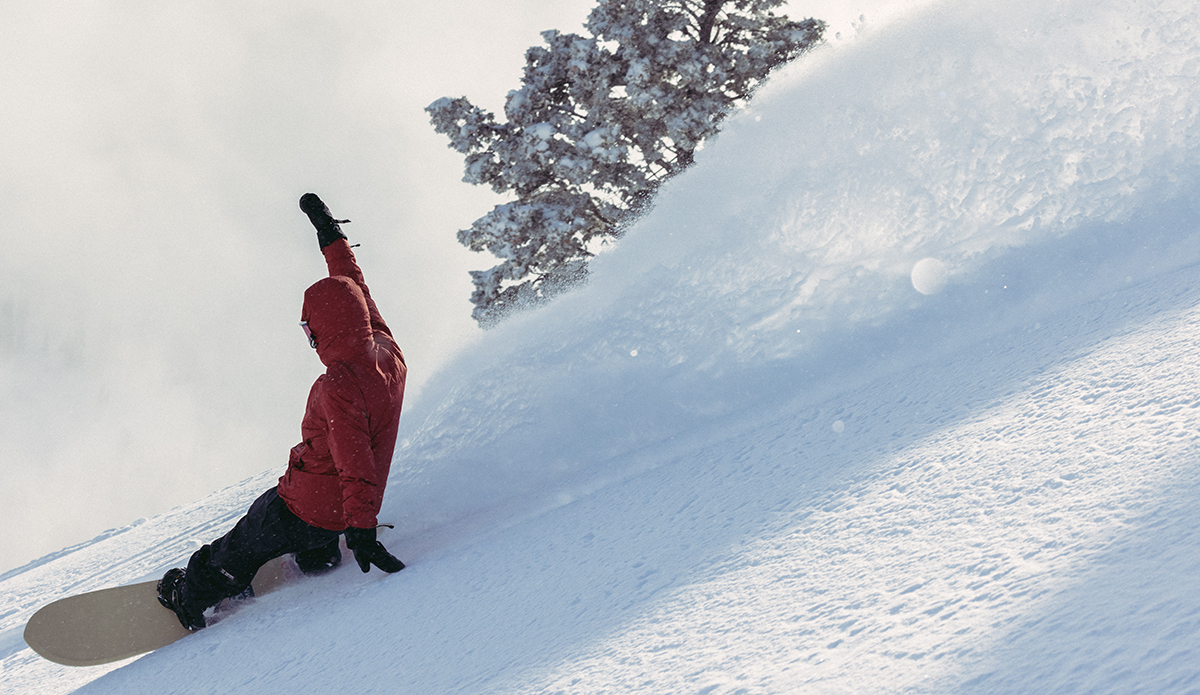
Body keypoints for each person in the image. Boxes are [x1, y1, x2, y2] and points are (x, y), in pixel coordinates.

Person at [157, 193, 408, 631]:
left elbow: (356, 463)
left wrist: (363, 531)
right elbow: (354, 286)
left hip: (306, 505)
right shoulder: (385, 348)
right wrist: (330, 234)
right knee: (311, 530)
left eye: (308, 328)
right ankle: (318, 557)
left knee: (242, 543)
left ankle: (191, 595)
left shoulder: (339, 386)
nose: (308, 336)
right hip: (334, 513)